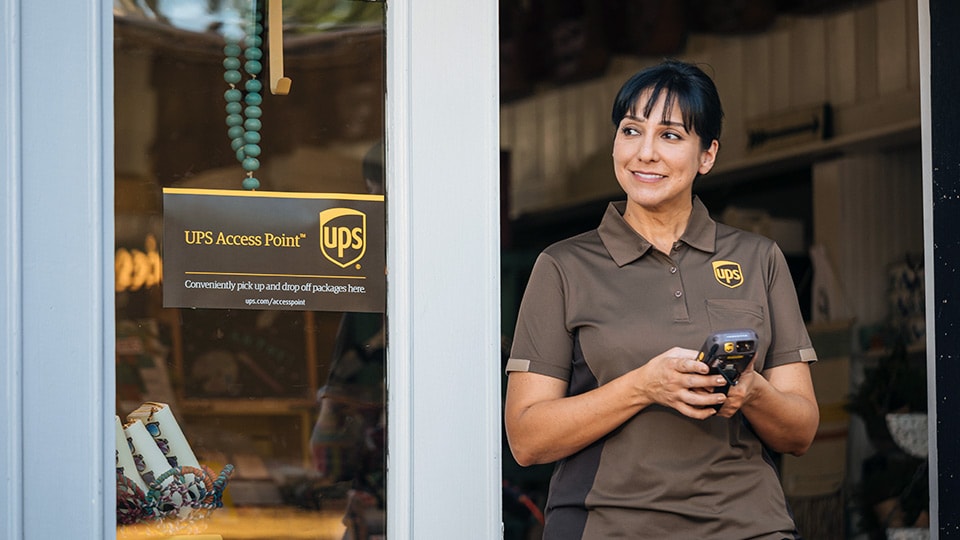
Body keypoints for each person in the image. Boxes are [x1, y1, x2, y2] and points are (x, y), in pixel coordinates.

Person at [503, 60, 820, 539]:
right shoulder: (564, 266)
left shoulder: (759, 259)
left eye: (670, 135)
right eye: (631, 130)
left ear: (707, 155)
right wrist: (644, 386)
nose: (645, 152)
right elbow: (526, 438)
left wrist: (752, 391)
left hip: (747, 527)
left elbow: (801, 432)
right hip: (608, 527)